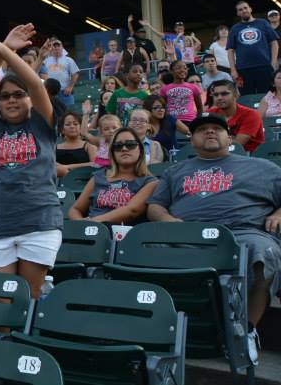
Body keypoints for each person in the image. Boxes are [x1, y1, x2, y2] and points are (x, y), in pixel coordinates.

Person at [147, 113, 281, 364]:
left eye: (217, 129)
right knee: (144, 249)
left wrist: (279, 213)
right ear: (192, 140)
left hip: (242, 233)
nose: (210, 132)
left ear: (229, 137)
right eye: (202, 130)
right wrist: (168, 221)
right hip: (187, 235)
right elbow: (155, 206)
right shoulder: (176, 171)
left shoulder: (262, 168)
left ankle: (246, 330)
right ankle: (156, 330)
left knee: (265, 252)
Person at [0, 24, 62, 298]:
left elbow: (35, 83)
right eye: (5, 96)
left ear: (30, 100)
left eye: (18, 95)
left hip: (39, 221)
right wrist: (4, 48)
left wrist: (2, 49)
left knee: (28, 296)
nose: (11, 100)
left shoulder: (42, 123)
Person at [68, 128, 158, 224]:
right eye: (118, 146)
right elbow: (75, 209)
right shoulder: (98, 177)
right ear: (112, 153)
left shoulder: (150, 182)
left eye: (130, 144)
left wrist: (93, 222)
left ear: (140, 150)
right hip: (92, 232)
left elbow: (132, 211)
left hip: (126, 234)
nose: (124, 149)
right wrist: (81, 223)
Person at [228, 0, 279, 95]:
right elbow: (230, 50)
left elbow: (274, 42)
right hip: (243, 69)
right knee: (246, 97)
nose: (243, 11)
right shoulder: (235, 28)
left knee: (267, 96)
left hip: (264, 66)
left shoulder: (263, 23)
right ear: (238, 13)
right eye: (240, 10)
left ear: (250, 9)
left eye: (245, 8)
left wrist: (273, 62)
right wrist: (233, 70)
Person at [207, 79, 265, 153]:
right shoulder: (210, 114)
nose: (219, 98)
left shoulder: (251, 114)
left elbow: (237, 145)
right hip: (218, 154)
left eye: (224, 94)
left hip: (248, 156)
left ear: (236, 95)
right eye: (216, 95)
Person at [55, 112, 96, 177]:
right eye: (68, 124)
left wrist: (67, 167)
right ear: (62, 129)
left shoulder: (89, 146)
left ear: (80, 127)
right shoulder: (55, 148)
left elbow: (95, 164)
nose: (72, 126)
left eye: (75, 124)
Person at [42, 38, 80, 107]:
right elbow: (41, 73)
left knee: (68, 111)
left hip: (65, 92)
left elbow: (75, 74)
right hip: (50, 92)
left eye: (58, 46)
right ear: (51, 47)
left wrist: (70, 87)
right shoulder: (45, 60)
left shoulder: (69, 60)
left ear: (62, 47)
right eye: (54, 46)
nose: (56, 48)